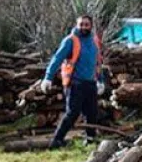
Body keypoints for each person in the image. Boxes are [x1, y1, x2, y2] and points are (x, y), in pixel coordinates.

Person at [40, 15, 105, 148]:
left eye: (86, 25)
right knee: (72, 113)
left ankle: (90, 139)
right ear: (77, 25)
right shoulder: (70, 40)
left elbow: (98, 62)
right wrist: (48, 77)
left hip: (90, 83)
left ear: (91, 26)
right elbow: (57, 58)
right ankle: (57, 140)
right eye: (81, 24)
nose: (83, 27)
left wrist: (100, 80)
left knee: (92, 113)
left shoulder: (94, 41)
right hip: (75, 83)